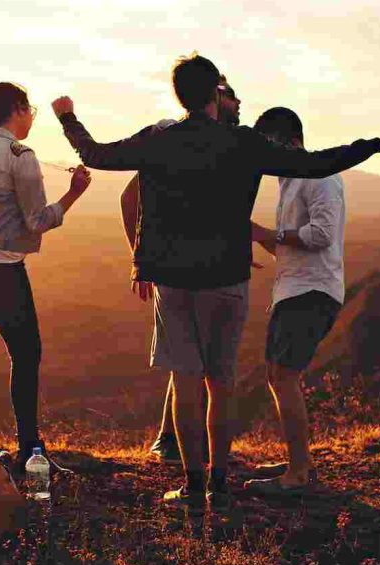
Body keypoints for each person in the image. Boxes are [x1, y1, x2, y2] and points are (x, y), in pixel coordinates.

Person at [52, 54, 380, 514]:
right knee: (221, 384)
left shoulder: (159, 140)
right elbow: (319, 163)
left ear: (179, 94)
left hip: (174, 281)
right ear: (215, 95)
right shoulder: (243, 143)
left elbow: (97, 155)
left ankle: (193, 487)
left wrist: (67, 117)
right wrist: (378, 143)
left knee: (186, 383)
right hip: (227, 279)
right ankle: (220, 485)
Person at [0, 82, 92, 472]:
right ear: (18, 109)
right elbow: (37, 220)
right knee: (26, 352)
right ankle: (30, 449)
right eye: (30, 112)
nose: (31, 120)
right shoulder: (20, 154)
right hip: (0, 265)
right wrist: (74, 193)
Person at [119, 75, 242, 464]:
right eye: (231, 95)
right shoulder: (174, 138)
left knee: (194, 363)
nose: (239, 103)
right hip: (176, 269)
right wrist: (141, 259)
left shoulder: (222, 144)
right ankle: (174, 444)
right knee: (190, 364)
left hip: (205, 266)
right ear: (214, 98)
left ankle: (181, 447)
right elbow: (130, 196)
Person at [242, 107, 354, 494]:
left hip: (312, 290)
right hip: (294, 288)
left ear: (289, 142)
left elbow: (321, 234)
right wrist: (260, 238)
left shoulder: (319, 175)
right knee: (278, 375)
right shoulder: (289, 181)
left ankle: (298, 474)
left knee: (284, 376)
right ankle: (299, 460)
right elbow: (293, 243)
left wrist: (267, 231)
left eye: (267, 145)